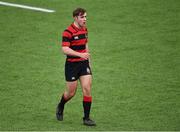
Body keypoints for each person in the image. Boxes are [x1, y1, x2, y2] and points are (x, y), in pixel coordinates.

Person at [56, 7, 96, 126]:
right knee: (70, 93)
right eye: (82, 17)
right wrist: (80, 55)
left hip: (83, 64)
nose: (85, 19)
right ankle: (61, 105)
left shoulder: (84, 29)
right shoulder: (67, 32)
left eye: (85, 17)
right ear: (75, 18)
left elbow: (86, 44)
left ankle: (86, 118)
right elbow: (64, 49)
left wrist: (88, 60)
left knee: (87, 88)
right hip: (72, 66)